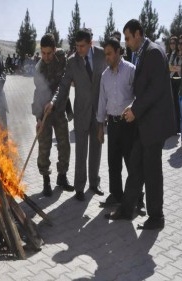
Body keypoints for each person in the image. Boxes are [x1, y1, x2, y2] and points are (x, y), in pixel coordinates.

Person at [105, 19, 175, 230]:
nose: (126, 43)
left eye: (127, 38)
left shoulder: (153, 52)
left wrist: (135, 110)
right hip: (145, 124)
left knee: (152, 171)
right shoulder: (145, 52)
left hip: (153, 124)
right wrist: (134, 107)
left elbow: (155, 89)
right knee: (135, 166)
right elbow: (144, 89)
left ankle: (157, 216)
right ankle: (127, 209)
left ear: (138, 34)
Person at [45, 29, 107, 201]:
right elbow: (64, 84)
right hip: (81, 112)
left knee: (97, 147)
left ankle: (94, 183)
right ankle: (79, 186)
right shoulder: (72, 62)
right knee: (81, 150)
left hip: (99, 111)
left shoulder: (102, 55)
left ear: (91, 43)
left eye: (82, 46)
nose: (79, 49)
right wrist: (54, 101)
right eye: (76, 46)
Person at [97, 37, 145, 214]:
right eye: (105, 54)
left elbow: (139, 95)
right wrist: (100, 126)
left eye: (109, 54)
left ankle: (138, 198)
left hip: (129, 124)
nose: (107, 57)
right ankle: (116, 195)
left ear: (118, 52)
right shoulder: (104, 76)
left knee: (132, 162)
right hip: (113, 124)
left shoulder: (131, 70)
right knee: (113, 161)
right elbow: (102, 101)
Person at [32, 33, 74, 197]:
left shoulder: (62, 57)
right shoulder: (39, 70)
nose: (46, 56)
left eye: (49, 53)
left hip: (60, 109)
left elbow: (64, 82)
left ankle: (62, 177)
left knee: (64, 144)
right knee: (44, 146)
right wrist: (39, 119)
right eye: (43, 53)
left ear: (55, 50)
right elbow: (38, 95)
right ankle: (46, 181)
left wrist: (56, 101)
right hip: (45, 111)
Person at [168, 36, 181, 135]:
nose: (172, 44)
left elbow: (177, 68)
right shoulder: (170, 54)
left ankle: (177, 128)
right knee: (171, 105)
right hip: (171, 81)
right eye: (170, 42)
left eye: (174, 43)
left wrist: (172, 68)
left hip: (178, 81)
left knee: (176, 105)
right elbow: (168, 67)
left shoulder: (178, 54)